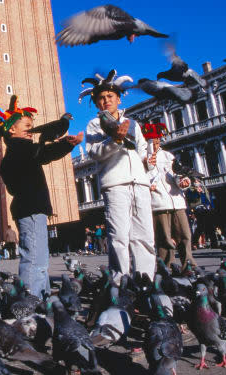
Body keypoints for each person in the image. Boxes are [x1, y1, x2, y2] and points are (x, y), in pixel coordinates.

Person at [0, 95, 83, 296]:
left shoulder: (14, 154)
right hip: (32, 209)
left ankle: (41, 297)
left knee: (39, 259)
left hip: (28, 210)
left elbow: (40, 154)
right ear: (11, 129)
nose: (32, 130)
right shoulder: (22, 149)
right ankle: (30, 300)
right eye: (27, 125)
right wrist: (68, 145)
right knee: (35, 259)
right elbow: (45, 153)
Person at [84, 70, 156, 281]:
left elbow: (142, 150)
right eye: (101, 98)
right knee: (119, 237)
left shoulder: (133, 123)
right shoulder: (94, 124)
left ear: (118, 98)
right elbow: (94, 153)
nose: (106, 101)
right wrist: (114, 140)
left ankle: (146, 281)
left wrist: (148, 164)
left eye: (110, 97)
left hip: (140, 184)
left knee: (144, 237)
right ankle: (120, 282)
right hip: (115, 184)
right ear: (97, 103)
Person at [144, 124, 197, 270]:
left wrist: (183, 181)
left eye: (158, 141)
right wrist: (148, 185)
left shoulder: (168, 156)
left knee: (185, 235)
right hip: (158, 203)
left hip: (177, 201)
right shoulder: (141, 158)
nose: (156, 145)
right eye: (153, 142)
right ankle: (166, 267)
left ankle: (189, 265)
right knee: (164, 239)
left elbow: (175, 175)